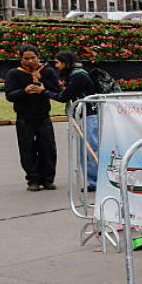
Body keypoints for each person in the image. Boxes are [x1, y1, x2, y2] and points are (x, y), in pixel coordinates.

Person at [5, 44, 61, 191]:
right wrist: (24, 91)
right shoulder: (14, 73)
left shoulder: (47, 71)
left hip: (43, 116)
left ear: (38, 56)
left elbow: (57, 90)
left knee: (48, 148)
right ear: (20, 59)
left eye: (33, 58)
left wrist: (43, 85)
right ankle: (33, 180)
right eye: (26, 58)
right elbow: (9, 95)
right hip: (24, 118)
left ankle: (48, 179)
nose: (30, 61)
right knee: (27, 149)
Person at [47, 51, 101, 189]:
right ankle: (93, 180)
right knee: (87, 149)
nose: (57, 66)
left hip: (89, 114)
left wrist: (44, 92)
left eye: (58, 63)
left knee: (90, 149)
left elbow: (64, 96)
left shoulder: (77, 76)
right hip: (86, 114)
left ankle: (96, 181)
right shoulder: (78, 73)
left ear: (65, 62)